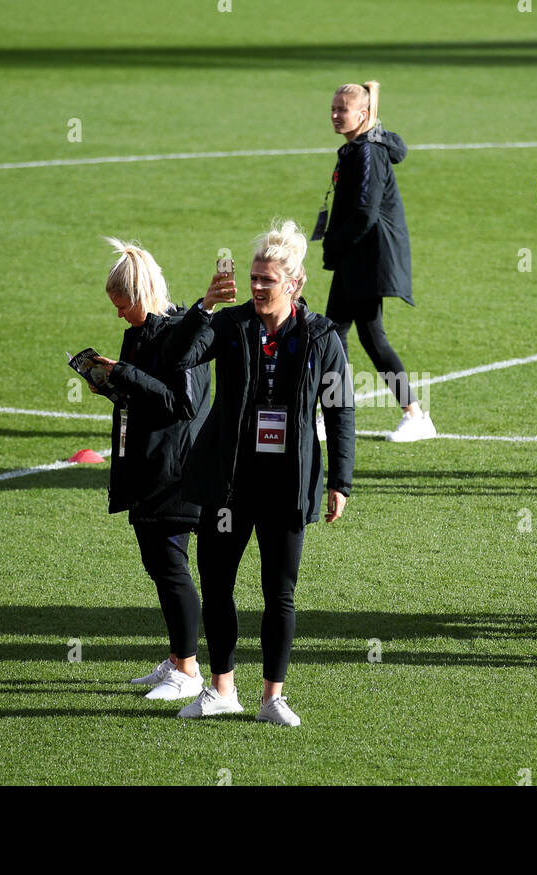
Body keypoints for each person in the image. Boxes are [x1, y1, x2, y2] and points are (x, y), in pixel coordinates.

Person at [164, 220, 355, 726]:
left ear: (293, 284)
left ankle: (273, 696)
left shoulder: (321, 336)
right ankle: (222, 688)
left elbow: (339, 411)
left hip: (286, 484)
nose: (255, 286)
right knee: (219, 583)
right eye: (252, 277)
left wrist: (340, 481)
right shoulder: (228, 326)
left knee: (280, 592)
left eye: (266, 280)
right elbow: (177, 357)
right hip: (228, 481)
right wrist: (203, 306)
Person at [87, 239, 211, 701]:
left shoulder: (183, 331)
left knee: (170, 567)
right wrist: (110, 382)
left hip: (175, 471)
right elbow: (144, 394)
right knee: (158, 566)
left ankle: (190, 672)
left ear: (140, 296)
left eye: (123, 306)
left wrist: (125, 374)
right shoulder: (140, 332)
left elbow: (183, 402)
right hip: (146, 466)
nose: (119, 315)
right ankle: (179, 660)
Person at [323, 80, 434, 442]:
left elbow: (364, 213)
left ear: (364, 114)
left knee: (364, 338)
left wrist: (334, 244)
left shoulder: (368, 152)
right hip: (356, 258)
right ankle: (335, 413)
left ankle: (415, 415)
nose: (337, 115)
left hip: (368, 259)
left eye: (344, 109)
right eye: (334, 108)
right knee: (334, 335)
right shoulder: (358, 147)